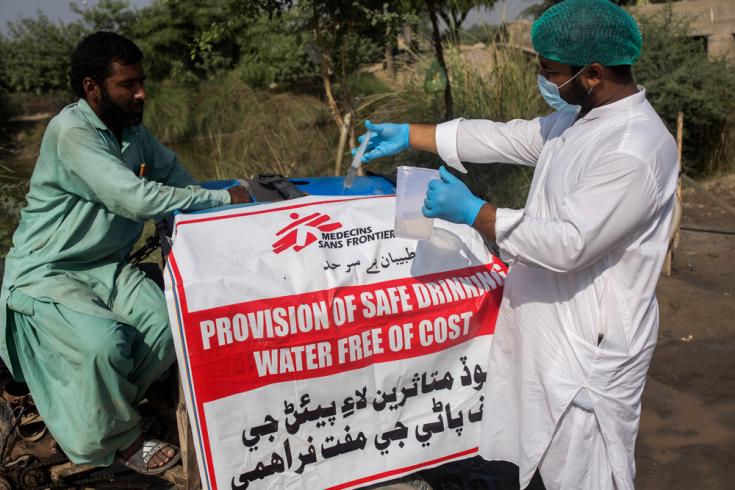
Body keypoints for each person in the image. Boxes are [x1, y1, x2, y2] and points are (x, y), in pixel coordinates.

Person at [355, 1, 677, 489]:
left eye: (551, 71)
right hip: (550, 331)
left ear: (592, 74)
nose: (544, 80)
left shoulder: (633, 149)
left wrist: (474, 212)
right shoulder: (578, 120)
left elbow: (568, 244)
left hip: (589, 350)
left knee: (587, 473)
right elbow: (508, 138)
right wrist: (409, 136)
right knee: (540, 466)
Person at [0, 31, 251, 475]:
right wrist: (224, 199)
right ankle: (113, 439)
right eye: (128, 85)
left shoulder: (132, 129)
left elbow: (172, 172)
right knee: (104, 344)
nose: (141, 92)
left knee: (171, 324)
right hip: (49, 270)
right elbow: (134, 198)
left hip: (107, 267)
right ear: (92, 88)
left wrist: (207, 209)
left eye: (141, 81)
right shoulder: (71, 131)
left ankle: (88, 407)